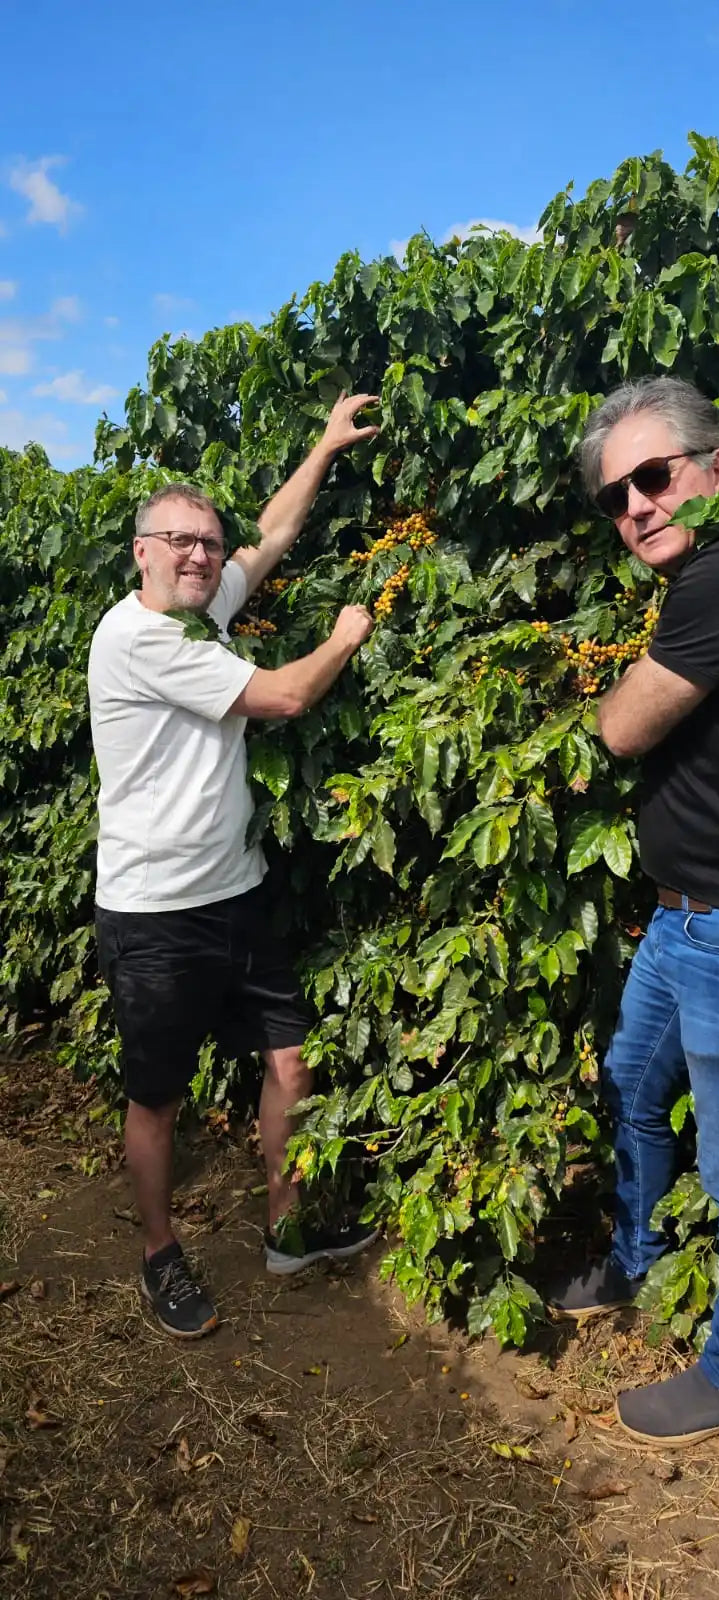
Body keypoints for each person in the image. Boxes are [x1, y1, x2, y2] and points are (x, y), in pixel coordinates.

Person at [548, 376, 719, 1446]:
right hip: (681, 920)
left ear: (718, 467)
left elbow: (621, 726)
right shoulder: (717, 577)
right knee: (630, 1085)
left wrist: (611, 697)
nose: (636, 507)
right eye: (617, 495)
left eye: (655, 476)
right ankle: (640, 1264)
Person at [88, 392, 381, 1339]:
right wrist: (344, 635)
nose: (199, 555)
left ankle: (287, 1228)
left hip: (236, 892)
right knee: (159, 1098)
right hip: (156, 912)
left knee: (290, 1061)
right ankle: (160, 1254)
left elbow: (275, 536)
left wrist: (326, 445)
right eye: (177, 541)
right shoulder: (139, 639)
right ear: (141, 551)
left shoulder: (202, 607)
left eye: (207, 543)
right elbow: (286, 695)